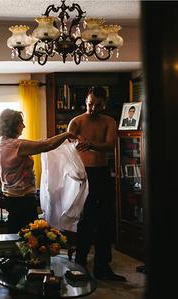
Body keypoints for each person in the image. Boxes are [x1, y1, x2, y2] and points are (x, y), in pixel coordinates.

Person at [67, 86, 127, 281]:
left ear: (104, 104)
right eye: (90, 104)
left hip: (101, 174)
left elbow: (110, 145)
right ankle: (80, 263)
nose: (93, 109)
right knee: (85, 220)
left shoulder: (109, 121)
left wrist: (91, 144)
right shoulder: (76, 121)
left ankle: (102, 266)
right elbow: (66, 146)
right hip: (82, 175)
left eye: (98, 105)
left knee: (105, 221)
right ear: (86, 100)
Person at [0, 109, 76, 234]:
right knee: (28, 237)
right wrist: (67, 134)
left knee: (19, 234)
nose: (24, 126)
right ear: (13, 125)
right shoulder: (16, 145)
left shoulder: (3, 143)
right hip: (21, 199)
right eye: (21, 123)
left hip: (12, 197)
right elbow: (46, 146)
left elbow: (41, 143)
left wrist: (48, 140)